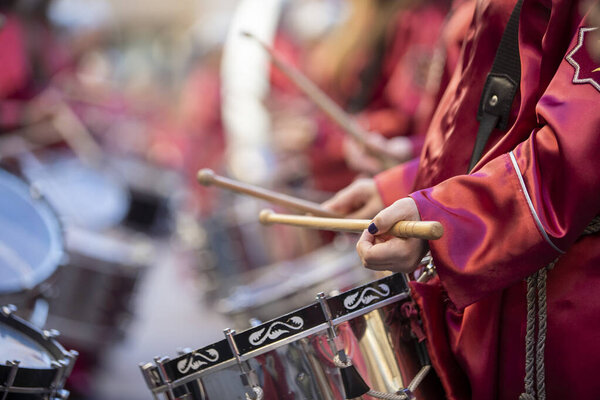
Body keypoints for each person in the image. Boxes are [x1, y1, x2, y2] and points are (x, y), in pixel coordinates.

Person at [324, 0, 600, 398]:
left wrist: (446, 218)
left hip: (567, 307)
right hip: (501, 291)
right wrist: (401, 184)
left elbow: (577, 150)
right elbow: (489, 127)